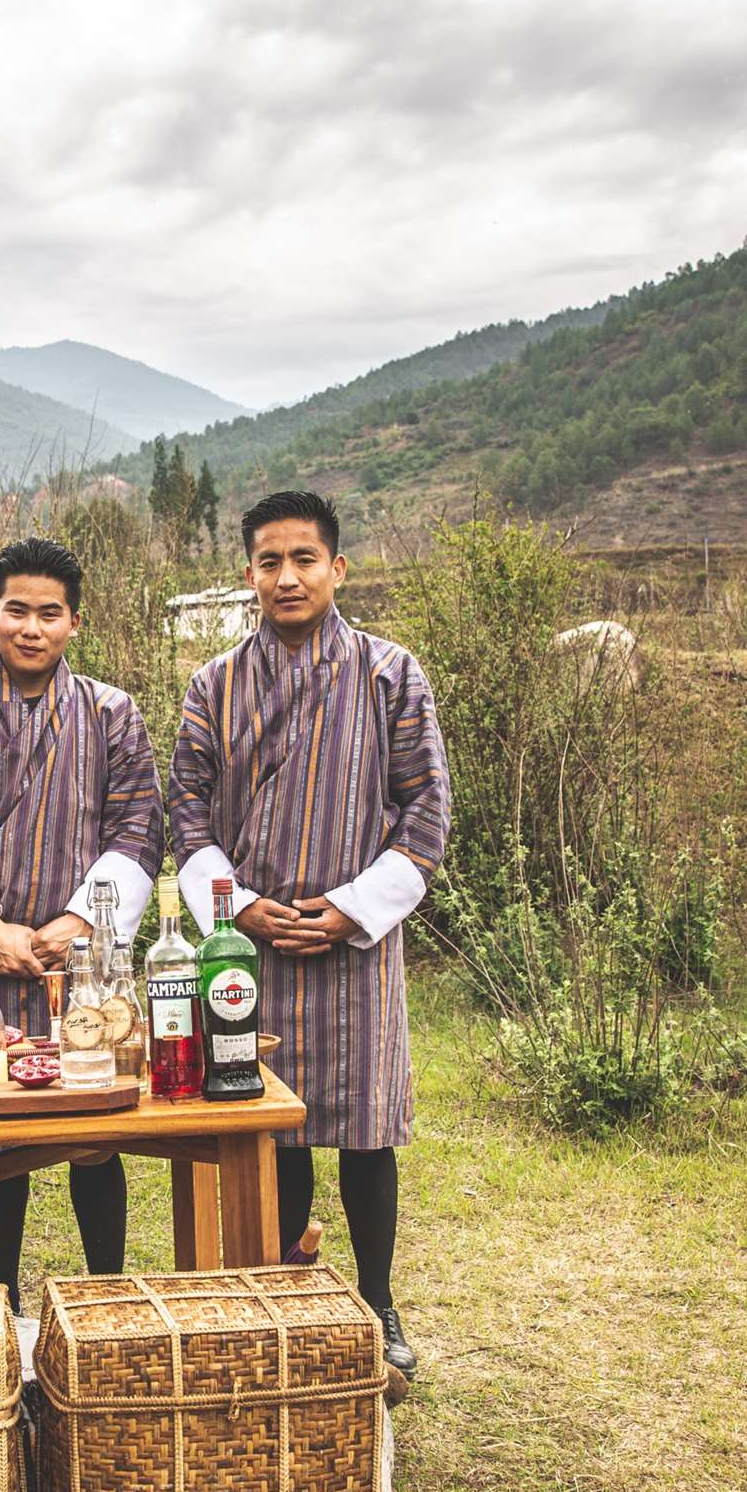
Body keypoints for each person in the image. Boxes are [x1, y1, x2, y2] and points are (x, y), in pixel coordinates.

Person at [165, 489, 450, 1377]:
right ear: (247, 573)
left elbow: (425, 811)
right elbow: (187, 812)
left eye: (304, 559)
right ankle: (284, 1298)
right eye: (268, 562)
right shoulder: (214, 684)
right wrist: (237, 903)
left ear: (337, 567)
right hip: (247, 945)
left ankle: (376, 1301)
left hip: (355, 939)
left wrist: (350, 909)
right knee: (267, 1125)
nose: (286, 577)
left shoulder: (387, 672)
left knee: (366, 1129)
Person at [0, 536, 163, 1308]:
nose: (31, 627)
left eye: (50, 613)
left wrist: (81, 920)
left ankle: (105, 1294)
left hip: (83, 967)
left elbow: (139, 825)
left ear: (74, 622)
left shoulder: (111, 714)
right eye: (17, 609)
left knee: (93, 1134)